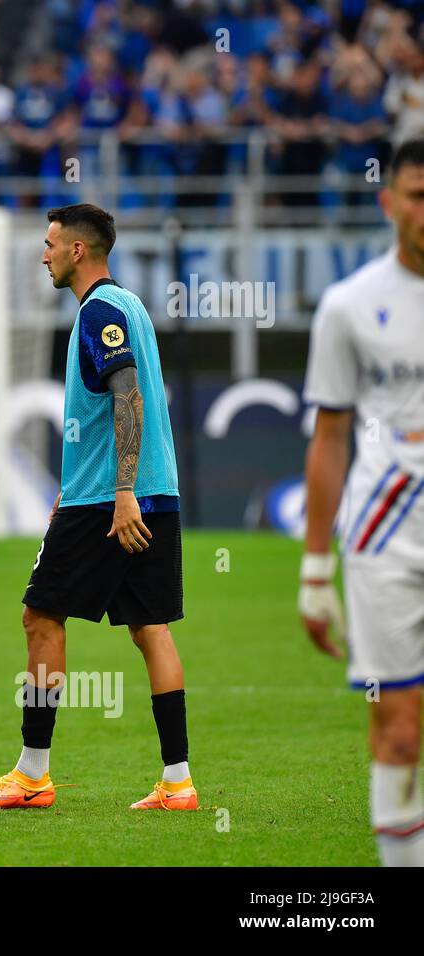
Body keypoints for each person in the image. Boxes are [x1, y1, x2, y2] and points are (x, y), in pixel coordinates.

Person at [0, 203, 194, 812]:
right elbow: (111, 406)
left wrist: (117, 492)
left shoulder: (99, 311)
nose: (44, 254)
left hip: (111, 501)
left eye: (50, 244)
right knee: (150, 629)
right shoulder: (133, 306)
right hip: (152, 491)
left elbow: (127, 396)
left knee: (41, 617)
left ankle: (32, 774)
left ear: (78, 251)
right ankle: (178, 782)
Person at [300, 138, 424, 866]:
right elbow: (330, 437)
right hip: (384, 541)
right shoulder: (349, 306)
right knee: (399, 730)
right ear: (389, 202)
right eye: (416, 194)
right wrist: (315, 573)